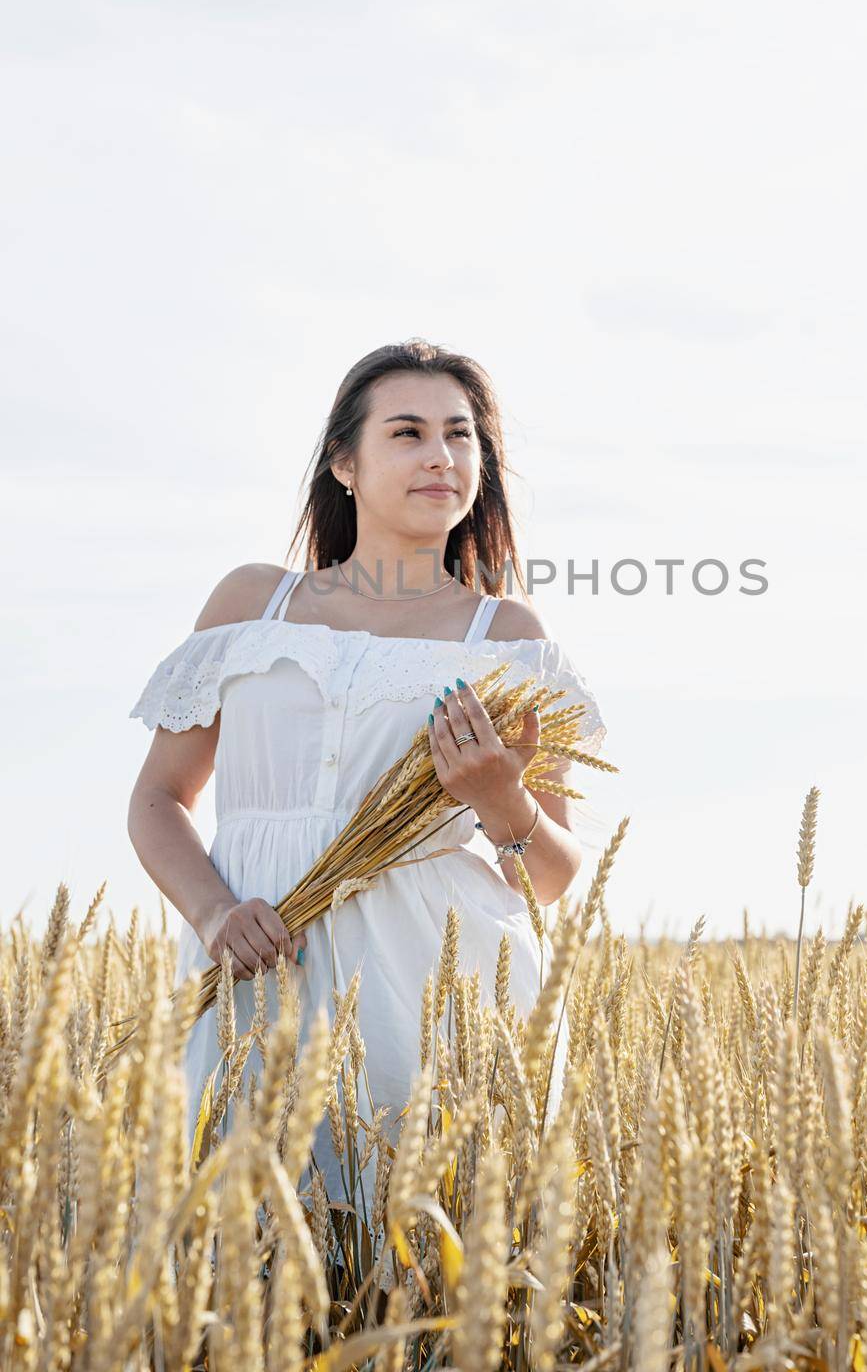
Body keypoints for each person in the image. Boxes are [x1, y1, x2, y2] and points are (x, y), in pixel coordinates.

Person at [126, 338, 609, 1229]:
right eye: (410, 432)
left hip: (437, 988)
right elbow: (157, 800)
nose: (442, 456)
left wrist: (502, 802)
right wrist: (215, 914)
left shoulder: (506, 632)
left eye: (462, 437)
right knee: (242, 1250)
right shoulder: (253, 604)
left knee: (423, 1246)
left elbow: (551, 876)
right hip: (262, 967)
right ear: (344, 463)